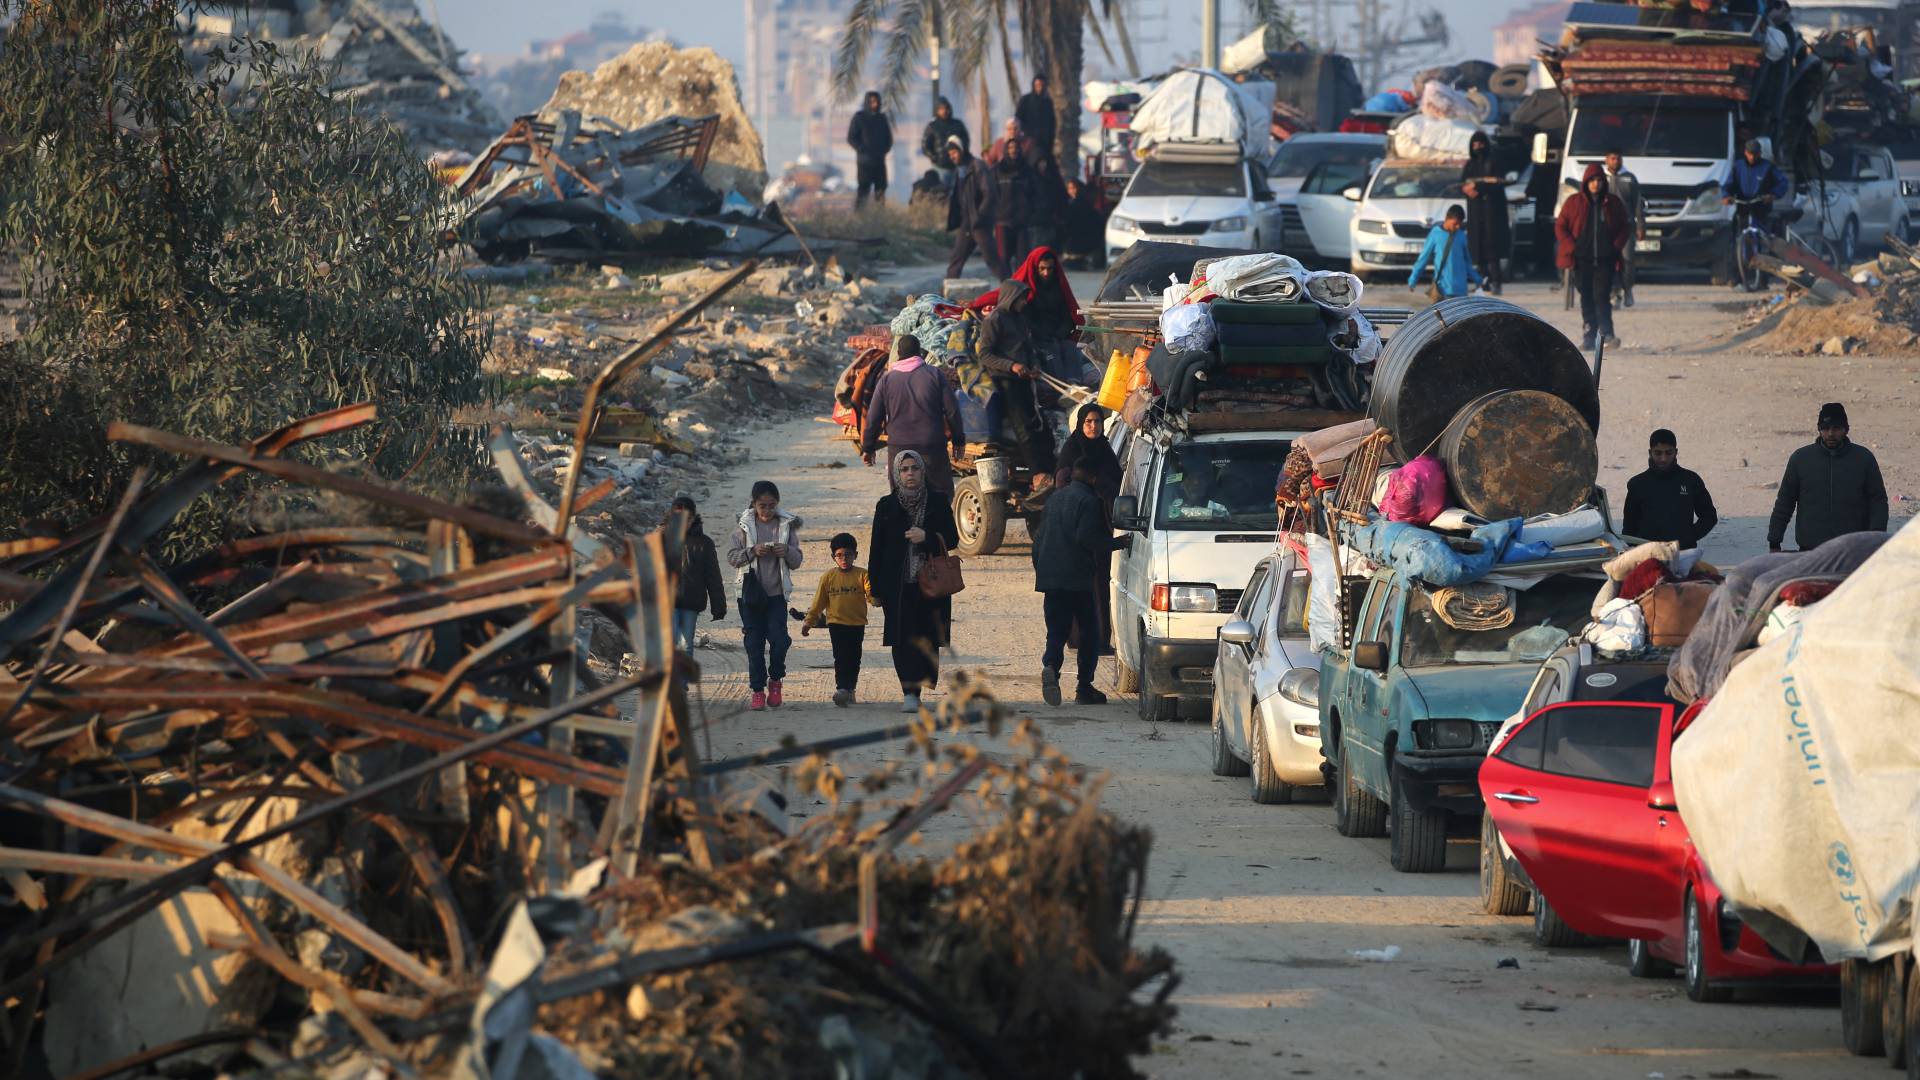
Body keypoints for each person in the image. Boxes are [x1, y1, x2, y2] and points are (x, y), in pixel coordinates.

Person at [868, 452, 960, 711]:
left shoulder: (937, 502)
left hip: (931, 585)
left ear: (922, 471)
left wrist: (927, 536)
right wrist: (875, 587)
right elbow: (877, 549)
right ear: (897, 474)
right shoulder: (886, 506)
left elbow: (952, 538)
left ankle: (920, 684)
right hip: (897, 586)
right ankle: (909, 692)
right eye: (904, 469)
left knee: (928, 637)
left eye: (914, 468)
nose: (910, 473)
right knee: (902, 638)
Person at [1032, 459, 1112, 707]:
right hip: (1077, 580)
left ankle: (1050, 667)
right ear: (1093, 478)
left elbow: (1038, 540)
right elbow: (1086, 538)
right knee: (1089, 632)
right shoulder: (1089, 501)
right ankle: (1084, 687)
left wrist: (1042, 571)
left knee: (1057, 630)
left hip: (1050, 577)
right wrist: (1118, 544)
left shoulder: (1054, 499)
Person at [1766, 402, 1889, 552]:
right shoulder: (1801, 459)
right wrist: (1774, 541)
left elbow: (1878, 501)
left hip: (1853, 550)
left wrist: (1876, 538)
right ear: (1819, 429)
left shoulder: (1863, 459)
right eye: (1825, 428)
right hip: (1811, 550)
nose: (1830, 433)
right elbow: (1785, 503)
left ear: (1846, 429)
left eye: (1836, 428)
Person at [726, 480, 804, 710]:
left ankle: (776, 679)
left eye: (771, 506)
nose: (767, 511)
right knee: (754, 643)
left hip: (777, 595)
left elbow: (797, 561)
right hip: (750, 596)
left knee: (780, 641)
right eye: (762, 506)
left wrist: (786, 551)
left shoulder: (786, 526)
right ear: (754, 504)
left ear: (777, 504)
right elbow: (732, 557)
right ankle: (757, 690)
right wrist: (752, 551)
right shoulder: (743, 527)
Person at [972, 278, 1059, 484]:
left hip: (1024, 378)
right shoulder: (994, 320)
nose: (1024, 302)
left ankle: (1052, 470)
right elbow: (984, 354)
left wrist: (1034, 365)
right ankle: (1037, 473)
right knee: (1023, 426)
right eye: (1021, 298)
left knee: (1041, 425)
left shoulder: (1020, 318)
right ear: (1011, 298)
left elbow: (1028, 348)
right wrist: (1011, 366)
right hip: (1004, 380)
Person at [861, 334, 967, 496]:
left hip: (899, 448)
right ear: (919, 352)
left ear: (898, 353)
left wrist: (868, 448)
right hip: (932, 447)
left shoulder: (886, 380)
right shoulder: (935, 375)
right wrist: (958, 441)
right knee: (939, 499)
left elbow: (874, 417)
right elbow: (952, 410)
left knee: (902, 499)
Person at [1556, 163, 1630, 350]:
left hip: (1606, 260)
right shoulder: (1574, 202)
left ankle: (1607, 334)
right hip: (1581, 260)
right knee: (1586, 297)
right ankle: (1590, 336)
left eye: (1599, 180)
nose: (1596, 184)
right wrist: (1572, 247)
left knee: (1602, 296)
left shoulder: (1612, 203)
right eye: (1592, 180)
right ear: (1586, 182)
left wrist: (1615, 247)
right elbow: (1560, 226)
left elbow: (1624, 226)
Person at [802, 532, 874, 708]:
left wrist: (876, 598)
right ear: (833, 557)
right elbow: (818, 602)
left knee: (854, 658)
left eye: (848, 554)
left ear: (855, 555)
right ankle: (842, 688)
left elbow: (871, 595)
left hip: (857, 624)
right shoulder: (828, 577)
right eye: (839, 555)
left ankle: (850, 689)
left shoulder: (863, 575)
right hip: (836, 624)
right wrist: (809, 622)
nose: (844, 559)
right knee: (840, 657)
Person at [1623, 429, 1719, 549]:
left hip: (1683, 552)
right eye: (1658, 453)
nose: (1663, 458)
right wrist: (1634, 548)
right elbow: (1629, 526)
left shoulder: (1690, 480)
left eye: (1669, 453)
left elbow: (1709, 516)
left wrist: (1689, 537)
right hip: (1647, 554)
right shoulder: (1637, 484)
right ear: (1650, 453)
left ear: (1676, 452)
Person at [667, 496, 727, 653]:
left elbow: (713, 576)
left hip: (691, 601)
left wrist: (718, 605)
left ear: (693, 518)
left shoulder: (705, 543)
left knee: (686, 644)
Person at [944, 139, 1007, 280]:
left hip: (979, 223)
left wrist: (979, 216)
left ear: (961, 150)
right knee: (956, 259)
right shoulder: (959, 170)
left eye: (954, 152)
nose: (952, 156)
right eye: (950, 154)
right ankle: (947, 292)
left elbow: (990, 194)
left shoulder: (977, 166)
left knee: (992, 260)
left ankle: (1012, 288)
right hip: (967, 223)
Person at [1460, 132, 1509, 295]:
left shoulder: (1494, 162)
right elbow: (1463, 182)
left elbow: (1498, 183)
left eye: (1480, 144)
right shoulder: (1470, 164)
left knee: (1491, 247)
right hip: (1475, 212)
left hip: (1491, 212)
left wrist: (1478, 188)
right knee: (1478, 247)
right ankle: (1482, 282)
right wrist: (1467, 189)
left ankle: (1496, 282)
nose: (1477, 148)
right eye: (1474, 145)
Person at [1722, 138, 1790, 242]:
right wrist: (1726, 196)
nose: (1752, 157)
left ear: (1760, 153)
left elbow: (1783, 182)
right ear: (1745, 152)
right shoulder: (1738, 166)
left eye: (1756, 154)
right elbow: (1728, 184)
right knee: (1737, 234)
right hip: (1743, 206)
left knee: (1763, 236)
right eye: (1750, 154)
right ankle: (1738, 249)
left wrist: (1773, 194)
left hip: (1761, 206)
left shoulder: (1767, 167)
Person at [1408, 205, 1482, 300]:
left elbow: (1467, 262)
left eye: (1460, 224)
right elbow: (1423, 258)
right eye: (1455, 224)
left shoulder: (1461, 236)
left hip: (1461, 291)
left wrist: (1477, 279)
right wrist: (1413, 279)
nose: (1457, 227)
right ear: (1447, 219)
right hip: (1442, 290)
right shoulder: (1435, 234)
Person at [1604, 149, 1645, 308]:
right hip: (1605, 228)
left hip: (1625, 227)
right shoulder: (1599, 178)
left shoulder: (1629, 178)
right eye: (1612, 158)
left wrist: (1640, 225)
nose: (1616, 161)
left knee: (1627, 260)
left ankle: (1627, 289)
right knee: (1607, 261)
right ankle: (1613, 293)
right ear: (1606, 160)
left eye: (1618, 158)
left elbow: (1637, 204)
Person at [847, 91, 894, 208]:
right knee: (863, 191)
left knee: (881, 190)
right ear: (867, 102)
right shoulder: (859, 117)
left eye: (877, 101)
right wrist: (862, 149)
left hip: (879, 161)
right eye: (872, 101)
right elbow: (851, 137)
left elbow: (888, 138)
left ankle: (880, 215)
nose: (875, 104)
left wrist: (884, 150)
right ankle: (860, 216)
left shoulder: (882, 118)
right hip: (865, 162)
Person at [990, 149, 1034, 270]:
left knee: (1023, 258)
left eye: (1015, 147)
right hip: (1002, 220)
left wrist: (1029, 212)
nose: (1013, 150)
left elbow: (1034, 194)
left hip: (1022, 221)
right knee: (1003, 258)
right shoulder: (997, 171)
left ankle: (1021, 281)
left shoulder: (1027, 171)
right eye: (1010, 148)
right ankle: (1006, 281)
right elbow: (991, 194)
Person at [920, 97, 969, 188]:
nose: (944, 111)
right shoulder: (932, 126)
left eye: (946, 108)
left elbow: (965, 141)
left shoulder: (957, 125)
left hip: (957, 166)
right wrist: (934, 157)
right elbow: (925, 146)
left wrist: (962, 154)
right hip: (940, 167)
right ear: (937, 110)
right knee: (942, 192)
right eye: (941, 109)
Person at [1060, 178, 1105, 267]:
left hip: (1081, 239)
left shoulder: (1080, 203)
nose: (1072, 191)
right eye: (1069, 189)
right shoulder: (1075, 203)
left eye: (1074, 188)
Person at [1015, 74, 1057, 158]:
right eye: (1037, 85)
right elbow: (1018, 119)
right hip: (1028, 141)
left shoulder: (1048, 102)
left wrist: (1050, 140)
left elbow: (1051, 123)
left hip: (1044, 143)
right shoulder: (1025, 100)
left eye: (1042, 85)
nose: (1040, 88)